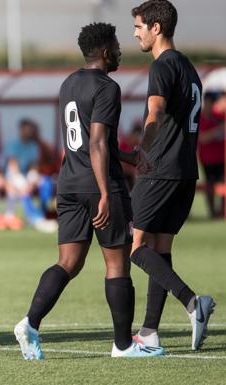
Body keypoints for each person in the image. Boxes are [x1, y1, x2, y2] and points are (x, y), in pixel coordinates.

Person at [14, 22, 164, 360]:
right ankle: (124, 346)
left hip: (68, 184)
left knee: (67, 262)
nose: (121, 51)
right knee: (117, 265)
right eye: (116, 46)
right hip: (99, 185)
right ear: (105, 51)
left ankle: (30, 323)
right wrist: (107, 193)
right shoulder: (107, 87)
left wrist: (129, 157)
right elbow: (95, 143)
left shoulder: (68, 83)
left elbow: (87, 142)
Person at [127, 0, 215, 351]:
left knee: (132, 244)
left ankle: (194, 303)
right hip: (184, 172)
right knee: (159, 250)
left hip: (160, 170)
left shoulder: (162, 65)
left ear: (156, 28)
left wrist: (142, 150)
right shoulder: (189, 68)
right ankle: (149, 333)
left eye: (138, 26)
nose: (135, 33)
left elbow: (156, 112)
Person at [198, 92, 224, 218]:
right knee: (209, 186)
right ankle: (212, 212)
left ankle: (222, 212)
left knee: (223, 184)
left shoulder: (219, 116)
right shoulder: (199, 117)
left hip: (221, 158)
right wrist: (218, 130)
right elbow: (202, 138)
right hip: (207, 160)